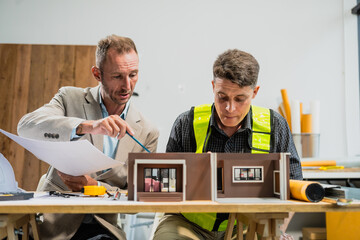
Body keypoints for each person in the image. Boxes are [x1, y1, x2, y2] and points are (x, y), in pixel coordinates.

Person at [17, 35, 159, 240]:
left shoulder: (147, 132)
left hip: (104, 229)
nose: (127, 85)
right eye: (117, 76)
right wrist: (86, 126)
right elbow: (26, 126)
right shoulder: (69, 99)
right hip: (50, 225)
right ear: (97, 74)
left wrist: (96, 188)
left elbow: (139, 200)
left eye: (133, 74)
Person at [153, 49, 303, 240]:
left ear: (255, 92)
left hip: (250, 223)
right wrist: (193, 173)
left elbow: (293, 182)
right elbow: (164, 185)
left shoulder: (275, 126)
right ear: (213, 87)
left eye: (240, 99)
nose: (229, 108)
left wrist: (279, 229)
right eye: (222, 97)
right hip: (189, 223)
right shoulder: (186, 123)